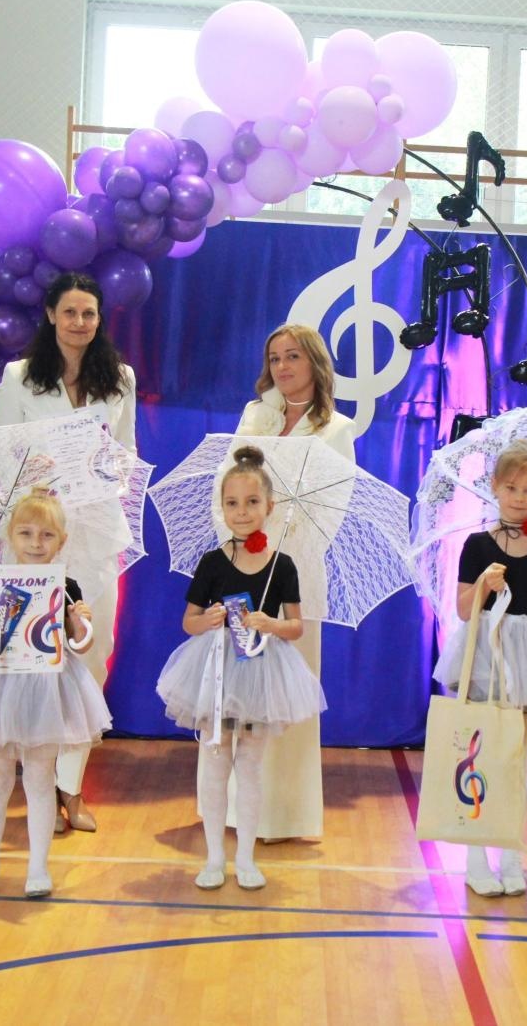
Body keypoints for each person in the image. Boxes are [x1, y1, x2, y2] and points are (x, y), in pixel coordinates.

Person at [0, 272, 136, 834]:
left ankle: (70, 788)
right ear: (51, 314)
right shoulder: (20, 376)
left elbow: (127, 456)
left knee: (92, 653)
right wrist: (34, 473)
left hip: (97, 530)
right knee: (33, 657)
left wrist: (107, 473)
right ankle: (36, 791)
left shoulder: (118, 378)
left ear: (99, 320)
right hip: (34, 535)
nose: (80, 323)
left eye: (90, 314)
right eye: (70, 312)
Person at [157, 447, 327, 890]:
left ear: (270, 507)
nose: (242, 511)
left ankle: (247, 858)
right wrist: (207, 620)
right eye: (232, 503)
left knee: (250, 766)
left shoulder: (282, 566)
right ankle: (214, 857)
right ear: (222, 507)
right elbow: (188, 622)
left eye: (252, 502)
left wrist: (272, 623)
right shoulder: (212, 563)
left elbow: (296, 628)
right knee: (214, 762)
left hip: (260, 673)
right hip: (215, 671)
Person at [215, 323, 355, 842]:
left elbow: (331, 507)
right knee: (242, 691)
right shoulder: (256, 417)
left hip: (293, 574)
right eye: (274, 358)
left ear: (314, 362)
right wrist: (239, 540)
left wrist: (280, 541)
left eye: (293, 356)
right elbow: (226, 485)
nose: (282, 367)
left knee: (289, 693)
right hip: (242, 567)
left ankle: (287, 815)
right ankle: (240, 810)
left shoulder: (335, 428)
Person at [0, 488, 112, 899]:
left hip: (48, 691)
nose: (36, 543)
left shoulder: (67, 587)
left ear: (61, 541)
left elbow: (81, 646)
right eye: (26, 533)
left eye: (47, 535)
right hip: (1, 688)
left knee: (39, 778)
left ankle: (38, 867)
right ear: (10, 537)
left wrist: (81, 622)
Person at [431, 438, 527, 897]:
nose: (520, 498)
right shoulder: (477, 545)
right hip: (487, 655)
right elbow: (462, 610)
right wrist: (482, 584)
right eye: (512, 487)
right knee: (482, 760)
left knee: (516, 763)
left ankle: (512, 857)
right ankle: (476, 860)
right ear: (495, 488)